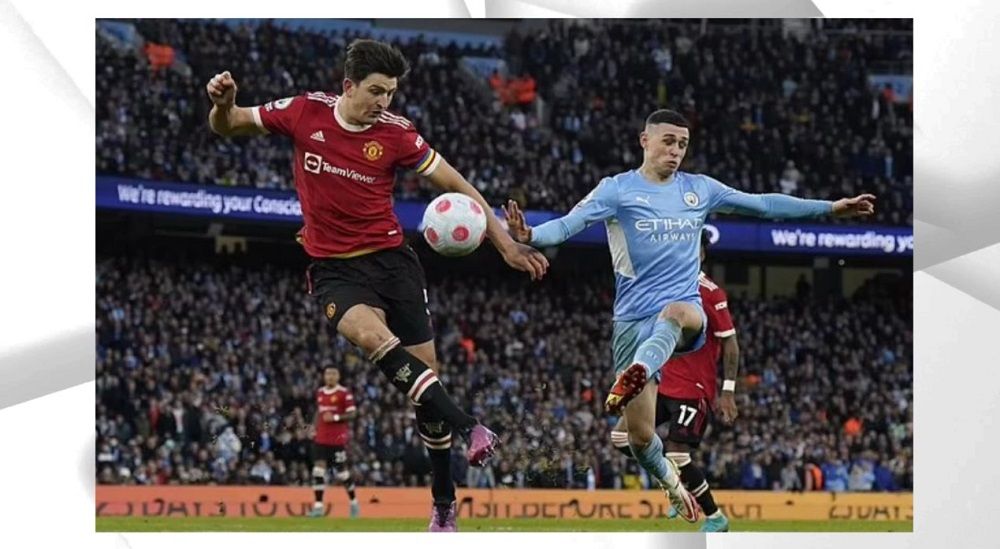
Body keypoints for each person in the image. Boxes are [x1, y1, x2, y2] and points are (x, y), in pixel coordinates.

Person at [206, 38, 549, 532]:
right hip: (334, 270)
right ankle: (470, 427)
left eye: (390, 92)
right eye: (375, 91)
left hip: (393, 265)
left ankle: (443, 504)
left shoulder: (396, 134)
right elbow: (230, 124)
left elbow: (458, 185)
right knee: (371, 338)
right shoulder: (304, 112)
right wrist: (222, 105)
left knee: (424, 384)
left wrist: (505, 246)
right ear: (348, 86)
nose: (383, 101)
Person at [504, 108, 875, 522]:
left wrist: (830, 208)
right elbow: (568, 225)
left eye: (682, 144)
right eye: (668, 141)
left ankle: (642, 368)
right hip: (631, 322)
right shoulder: (617, 190)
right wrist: (531, 235)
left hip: (684, 314)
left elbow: (763, 204)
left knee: (677, 311)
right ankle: (670, 482)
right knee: (639, 438)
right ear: (644, 141)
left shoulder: (700, 189)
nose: (676, 150)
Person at [611, 231, 739, 532]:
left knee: (678, 452)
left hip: (692, 388)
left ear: (701, 254)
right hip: (661, 381)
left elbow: (730, 343)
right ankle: (673, 482)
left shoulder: (710, 292)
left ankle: (715, 518)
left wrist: (728, 391)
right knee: (621, 437)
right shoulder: (662, 283)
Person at [309, 367, 360, 518]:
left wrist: (336, 418)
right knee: (318, 470)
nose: (330, 376)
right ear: (324, 376)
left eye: (333, 374)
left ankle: (354, 502)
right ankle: (318, 507)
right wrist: (313, 427)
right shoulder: (320, 392)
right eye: (327, 374)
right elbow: (319, 411)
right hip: (321, 438)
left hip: (337, 439)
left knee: (342, 474)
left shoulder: (344, 393)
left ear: (338, 376)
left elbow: (353, 413)